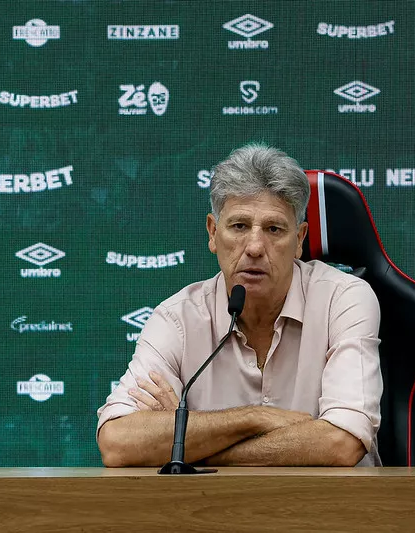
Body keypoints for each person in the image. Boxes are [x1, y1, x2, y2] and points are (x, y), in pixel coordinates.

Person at [97, 143, 382, 467]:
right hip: (217, 510)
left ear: (299, 240)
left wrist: (184, 446)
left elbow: (340, 443)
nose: (256, 247)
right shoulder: (177, 318)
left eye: (274, 229)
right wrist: (255, 418)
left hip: (333, 511)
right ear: (213, 233)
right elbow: (117, 442)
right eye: (239, 226)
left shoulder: (343, 299)